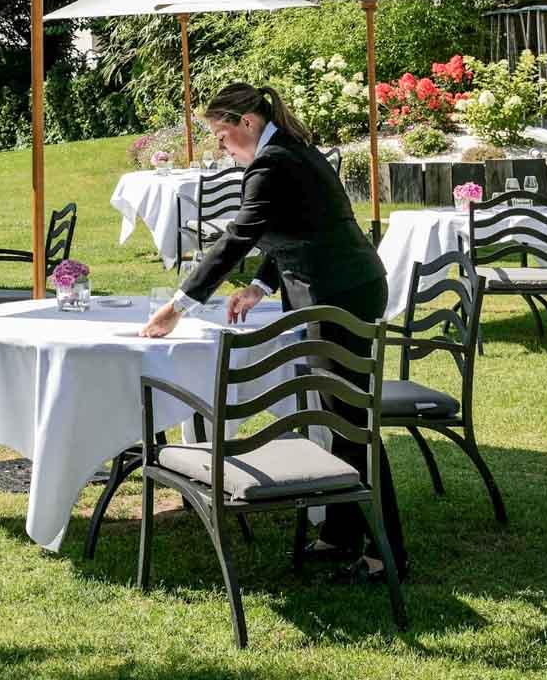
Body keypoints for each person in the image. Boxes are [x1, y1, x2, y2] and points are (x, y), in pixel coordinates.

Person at [140, 80, 406, 583]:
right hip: (343, 286)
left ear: (247, 123)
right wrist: (261, 287)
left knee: (352, 423)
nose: (221, 147)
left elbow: (240, 235)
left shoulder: (273, 162)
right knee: (335, 414)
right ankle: (340, 533)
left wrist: (178, 306)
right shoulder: (289, 152)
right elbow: (296, 228)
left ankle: (385, 551)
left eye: (222, 135)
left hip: (340, 295)